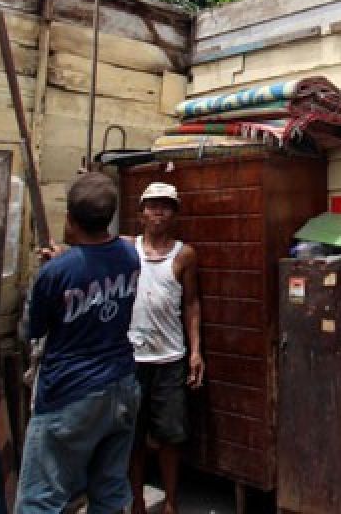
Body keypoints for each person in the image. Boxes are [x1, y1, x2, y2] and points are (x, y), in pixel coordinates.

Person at [15, 172, 142, 514]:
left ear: (69, 220)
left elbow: (31, 330)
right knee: (111, 491)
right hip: (122, 387)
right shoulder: (130, 256)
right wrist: (64, 261)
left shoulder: (55, 274)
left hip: (71, 394)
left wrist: (43, 278)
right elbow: (99, 261)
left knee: (40, 499)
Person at [128, 181, 204, 514]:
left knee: (170, 437)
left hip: (170, 358)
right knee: (133, 438)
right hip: (131, 359)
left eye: (166, 206)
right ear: (141, 212)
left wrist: (196, 352)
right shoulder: (126, 249)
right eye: (152, 205)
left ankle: (171, 503)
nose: (158, 211)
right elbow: (88, 247)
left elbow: (191, 303)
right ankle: (138, 502)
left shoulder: (184, 254)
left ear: (174, 214)